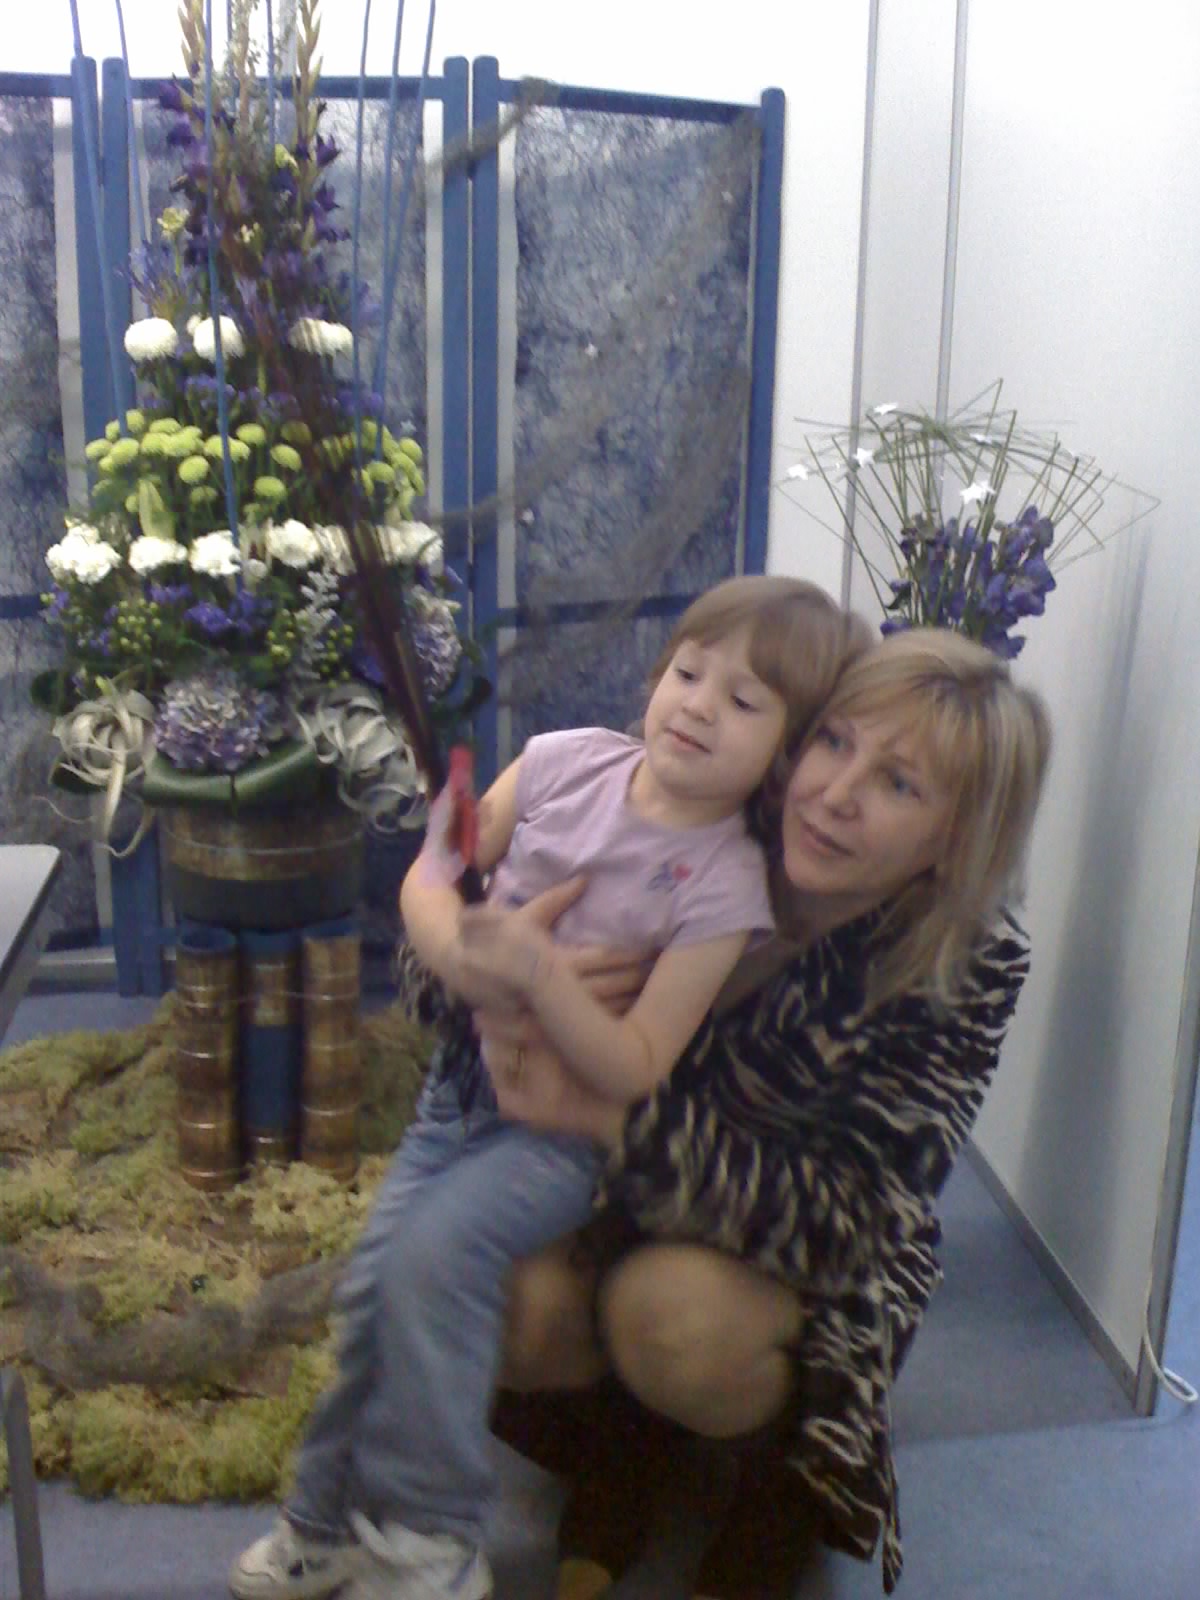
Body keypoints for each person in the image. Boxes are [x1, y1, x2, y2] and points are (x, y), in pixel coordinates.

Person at [229, 575, 869, 1600]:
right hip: (456, 1097)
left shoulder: (725, 884)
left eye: (745, 700)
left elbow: (640, 1062)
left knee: (436, 1263)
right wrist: (464, 956)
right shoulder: (562, 760)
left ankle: (432, 1538)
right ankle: (323, 1522)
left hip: (557, 1136)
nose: (700, 705)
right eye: (689, 673)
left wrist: (539, 979)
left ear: (783, 754)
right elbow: (437, 870)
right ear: (656, 677)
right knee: (372, 1294)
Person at [459, 626, 1052, 1599]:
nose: (836, 794)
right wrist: (498, 964)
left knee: (670, 1320)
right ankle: (628, 1441)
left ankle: (780, 1481)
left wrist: (618, 1121)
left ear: (957, 837)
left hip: (802, 1258)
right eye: (834, 742)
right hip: (621, 1199)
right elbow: (447, 945)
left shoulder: (967, 961)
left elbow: (851, 1221)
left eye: (898, 783)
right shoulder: (711, 813)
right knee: (500, 1293)